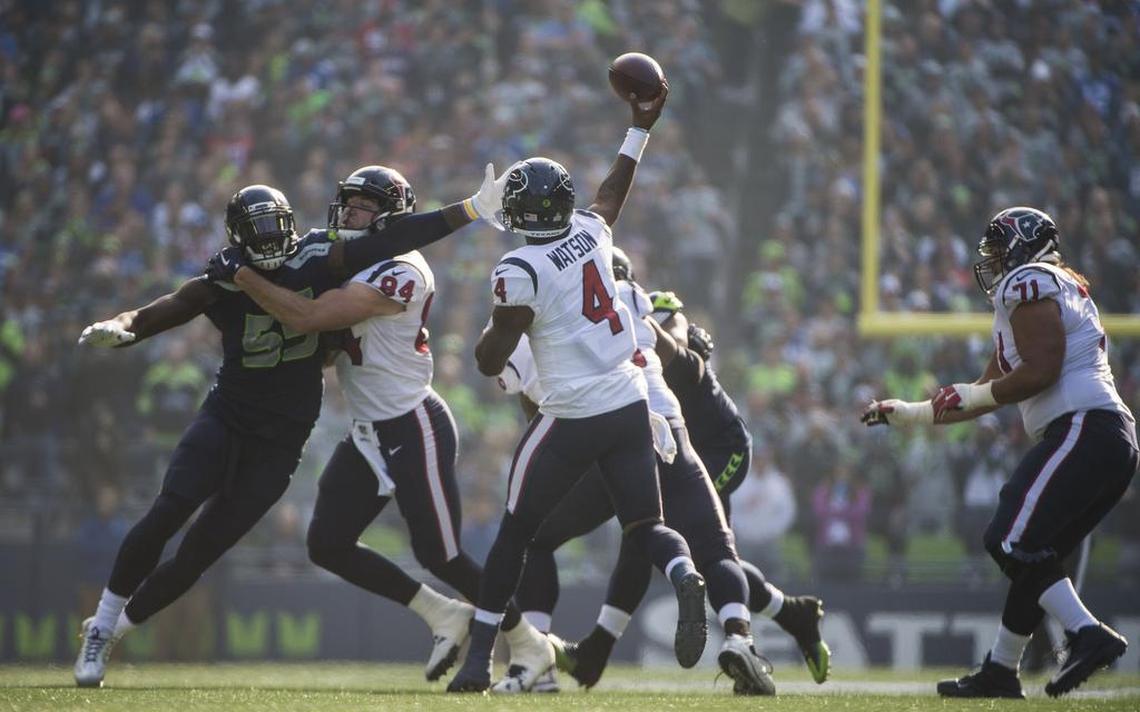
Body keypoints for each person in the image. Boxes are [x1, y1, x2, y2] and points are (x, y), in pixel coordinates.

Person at [72, 170, 503, 688]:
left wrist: (471, 209)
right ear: (238, 242)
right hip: (227, 418)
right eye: (259, 237)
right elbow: (158, 311)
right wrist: (121, 329)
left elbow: (396, 238)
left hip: (283, 440)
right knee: (170, 509)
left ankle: (116, 628)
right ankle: (103, 626)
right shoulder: (222, 280)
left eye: (278, 231)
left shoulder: (313, 259)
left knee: (202, 549)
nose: (273, 245)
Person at [228, 165, 550, 683]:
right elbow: (329, 350)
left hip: (412, 422)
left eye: (363, 206)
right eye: (348, 203)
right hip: (369, 429)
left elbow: (310, 319)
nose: (350, 213)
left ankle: (529, 643)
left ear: (391, 217)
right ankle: (441, 614)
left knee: (441, 554)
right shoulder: (354, 261)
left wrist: (244, 277)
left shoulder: (401, 269)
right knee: (327, 543)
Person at [447, 85, 710, 694]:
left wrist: (493, 324)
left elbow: (490, 361)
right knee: (645, 525)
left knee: (516, 534)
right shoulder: (593, 233)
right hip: (628, 402)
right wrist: (639, 127)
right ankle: (682, 569)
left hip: (569, 414)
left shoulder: (518, 270)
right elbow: (612, 192)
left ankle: (477, 658)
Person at [862, 207, 1137, 699]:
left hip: (1083, 427)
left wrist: (972, 397)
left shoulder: (1029, 282)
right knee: (1036, 553)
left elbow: (1041, 370)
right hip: (1103, 437)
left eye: (998, 248)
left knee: (1009, 537)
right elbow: (986, 387)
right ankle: (1001, 669)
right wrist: (913, 412)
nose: (991, 260)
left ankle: (1087, 632)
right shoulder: (1049, 290)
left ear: (1025, 246)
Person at [503, 249, 776, 695]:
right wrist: (683, 341)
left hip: (605, 441)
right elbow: (675, 347)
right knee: (715, 547)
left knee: (548, 538)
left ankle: (541, 663)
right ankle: (739, 637)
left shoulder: (552, 313)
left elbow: (528, 397)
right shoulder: (632, 299)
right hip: (666, 427)